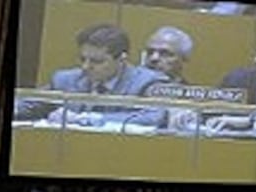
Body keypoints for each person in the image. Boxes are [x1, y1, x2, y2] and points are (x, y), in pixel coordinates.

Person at [13, 24, 169, 126]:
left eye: (97, 61)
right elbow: (29, 106)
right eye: (83, 59)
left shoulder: (147, 82)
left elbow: (155, 117)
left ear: (122, 59)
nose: (85, 67)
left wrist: (88, 118)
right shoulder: (65, 79)